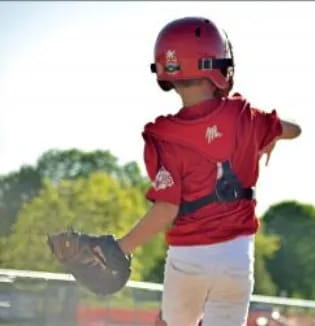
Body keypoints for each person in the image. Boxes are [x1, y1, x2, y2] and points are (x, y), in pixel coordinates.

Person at [116, 17, 301, 326]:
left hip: (188, 258)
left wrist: (120, 247)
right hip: (236, 257)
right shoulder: (246, 117)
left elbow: (166, 208)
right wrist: (271, 137)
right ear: (218, 63)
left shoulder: (163, 134)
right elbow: (294, 129)